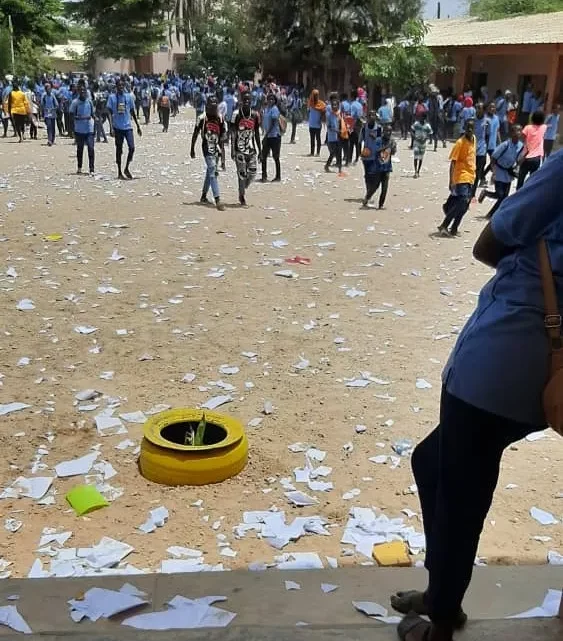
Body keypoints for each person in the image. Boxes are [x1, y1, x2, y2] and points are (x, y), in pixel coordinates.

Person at [391, 148, 563, 641]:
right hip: (546, 363)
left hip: (506, 356)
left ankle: (442, 617)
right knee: (432, 460)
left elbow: (489, 242)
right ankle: (440, 588)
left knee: (461, 486)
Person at [438, 119, 476, 237]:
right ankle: (445, 224)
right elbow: (453, 163)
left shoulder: (474, 139)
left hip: (471, 177)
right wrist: (451, 181)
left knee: (465, 206)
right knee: (462, 201)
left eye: (471, 127)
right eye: (467, 127)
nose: (469, 130)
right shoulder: (460, 143)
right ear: (464, 128)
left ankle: (454, 228)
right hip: (461, 176)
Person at [478, 124, 523, 219]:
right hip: (499, 171)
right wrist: (494, 173)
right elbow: (493, 158)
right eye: (516, 130)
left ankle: (492, 214)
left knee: (504, 197)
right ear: (511, 133)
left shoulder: (520, 146)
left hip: (508, 172)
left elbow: (518, 159)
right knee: (500, 195)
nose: (518, 133)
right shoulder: (505, 145)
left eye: (520, 131)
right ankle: (487, 197)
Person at [190, 94, 226, 211]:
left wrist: (223, 157)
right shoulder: (201, 118)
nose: (213, 107)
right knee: (213, 171)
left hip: (216, 149)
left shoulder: (220, 118)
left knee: (210, 172)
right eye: (211, 105)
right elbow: (195, 134)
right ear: (207, 106)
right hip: (206, 148)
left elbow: (222, 138)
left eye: (215, 105)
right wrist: (192, 148)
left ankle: (204, 196)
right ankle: (217, 199)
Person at [107, 78, 142, 180]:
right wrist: (111, 127)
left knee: (132, 147)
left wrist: (138, 126)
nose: (121, 87)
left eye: (122, 85)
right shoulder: (112, 98)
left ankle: (126, 167)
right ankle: (119, 172)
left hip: (128, 127)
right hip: (117, 127)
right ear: (116, 87)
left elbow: (132, 111)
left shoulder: (128, 97)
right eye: (119, 86)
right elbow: (108, 111)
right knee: (119, 150)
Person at [232, 91, 261, 207]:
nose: (247, 102)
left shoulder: (255, 115)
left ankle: (243, 186)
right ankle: (242, 196)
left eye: (249, 100)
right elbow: (233, 133)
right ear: (241, 100)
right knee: (242, 173)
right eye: (245, 99)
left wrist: (260, 150)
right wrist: (233, 151)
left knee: (253, 173)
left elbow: (257, 133)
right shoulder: (236, 115)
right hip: (239, 149)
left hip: (251, 148)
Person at [361, 123, 396, 209]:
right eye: (387, 131)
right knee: (375, 186)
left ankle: (381, 205)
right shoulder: (378, 140)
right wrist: (387, 146)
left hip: (387, 167)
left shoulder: (391, 141)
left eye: (390, 131)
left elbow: (393, 152)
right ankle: (367, 198)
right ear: (383, 132)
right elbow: (377, 151)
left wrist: (393, 148)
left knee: (384, 188)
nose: (388, 133)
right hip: (378, 168)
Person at [516, 110, 547, 190]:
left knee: (521, 177)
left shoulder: (527, 128)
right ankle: (527, 191)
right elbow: (546, 125)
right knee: (532, 178)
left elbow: (522, 137)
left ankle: (518, 192)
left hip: (526, 157)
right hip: (536, 158)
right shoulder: (543, 127)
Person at [70, 85, 95, 176]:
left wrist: (96, 119)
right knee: (80, 149)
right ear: (79, 92)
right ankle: (79, 167)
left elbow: (93, 114)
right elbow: (71, 116)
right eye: (81, 91)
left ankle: (91, 169)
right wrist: (81, 118)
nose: (83, 92)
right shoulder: (75, 103)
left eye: (84, 91)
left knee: (91, 148)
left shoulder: (89, 102)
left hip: (89, 129)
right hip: (79, 130)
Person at [261, 93, 282, 182]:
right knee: (263, 156)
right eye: (269, 99)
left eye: (272, 99)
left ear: (275, 101)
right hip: (268, 135)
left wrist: (266, 135)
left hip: (274, 136)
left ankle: (278, 176)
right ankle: (264, 176)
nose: (270, 101)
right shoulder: (266, 109)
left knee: (275, 157)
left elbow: (273, 123)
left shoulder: (274, 109)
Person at [324, 95, 346, 175]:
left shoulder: (339, 115)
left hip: (339, 137)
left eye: (336, 105)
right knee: (333, 153)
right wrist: (336, 131)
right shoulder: (329, 115)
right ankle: (326, 166)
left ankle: (340, 169)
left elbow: (342, 124)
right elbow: (328, 126)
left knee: (339, 153)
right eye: (333, 105)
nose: (334, 106)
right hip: (332, 137)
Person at [471, 103, 489, 197]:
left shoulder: (486, 121)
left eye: (479, 108)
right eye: (476, 107)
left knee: (477, 173)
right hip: (471, 150)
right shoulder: (472, 120)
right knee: (470, 172)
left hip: (481, 150)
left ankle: (472, 194)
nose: (477, 109)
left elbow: (487, 136)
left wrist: (486, 148)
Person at [411, 112, 433, 178]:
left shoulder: (427, 126)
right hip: (416, 142)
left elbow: (430, 133)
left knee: (421, 158)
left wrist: (426, 138)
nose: (422, 119)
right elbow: (412, 130)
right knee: (415, 157)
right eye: (421, 117)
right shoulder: (416, 124)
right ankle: (415, 171)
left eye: (423, 118)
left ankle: (418, 171)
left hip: (423, 143)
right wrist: (414, 137)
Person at [307, 89, 325, 156]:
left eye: (316, 95)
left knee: (318, 139)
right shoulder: (310, 103)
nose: (315, 96)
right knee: (312, 139)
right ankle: (312, 152)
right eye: (314, 95)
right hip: (311, 124)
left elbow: (324, 112)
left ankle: (318, 152)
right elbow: (308, 111)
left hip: (318, 124)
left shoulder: (321, 103)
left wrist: (320, 118)